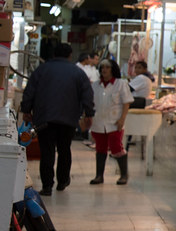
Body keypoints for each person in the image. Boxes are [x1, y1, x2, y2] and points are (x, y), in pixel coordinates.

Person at [20, 42, 94, 196]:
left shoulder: (42, 70)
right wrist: (89, 114)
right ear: (70, 55)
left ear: (54, 54)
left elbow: (29, 91)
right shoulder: (78, 72)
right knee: (64, 149)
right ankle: (62, 181)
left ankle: (47, 186)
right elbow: (87, 94)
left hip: (44, 118)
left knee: (47, 152)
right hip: (68, 118)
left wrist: (26, 110)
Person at [89, 59, 134, 185]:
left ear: (112, 69)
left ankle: (123, 175)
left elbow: (127, 102)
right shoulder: (95, 85)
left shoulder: (121, 83)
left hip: (115, 122)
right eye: (102, 67)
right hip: (98, 122)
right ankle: (99, 176)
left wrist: (122, 119)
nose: (104, 70)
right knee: (100, 148)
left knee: (116, 147)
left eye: (107, 67)